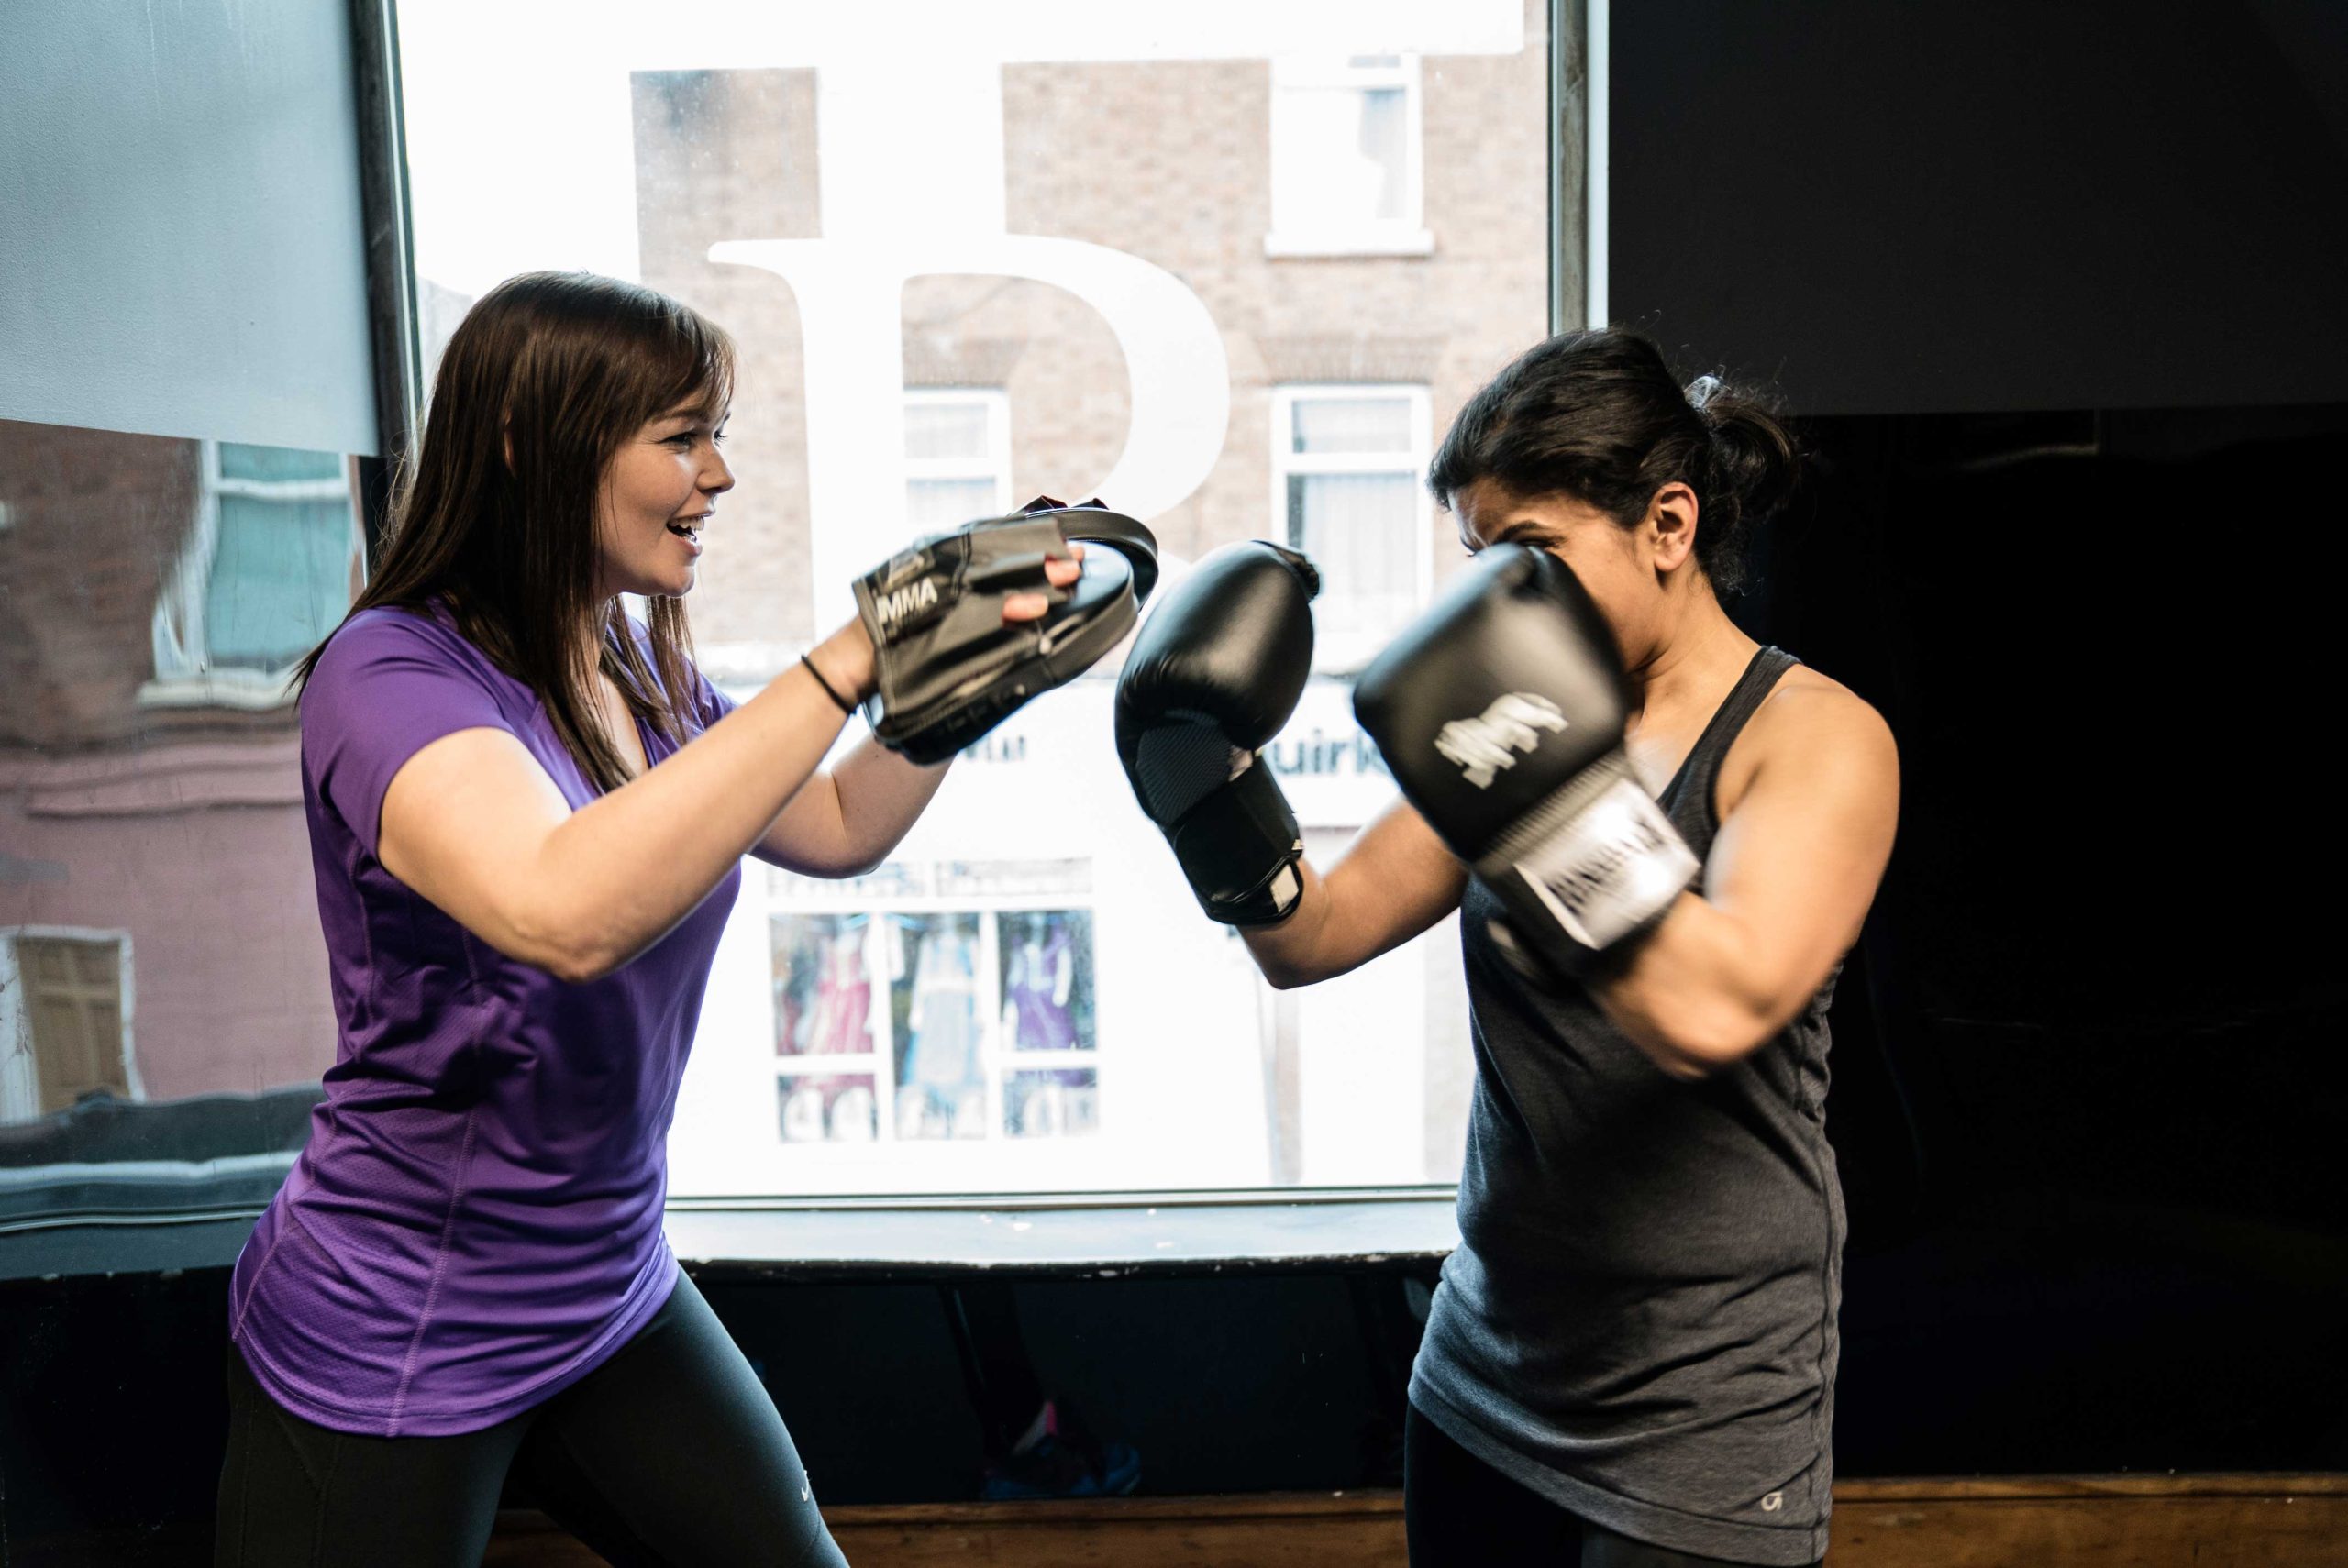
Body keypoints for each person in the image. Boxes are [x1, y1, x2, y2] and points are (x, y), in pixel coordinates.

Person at [214, 271, 1085, 1567]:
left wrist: (953, 681)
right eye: (681, 437)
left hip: (607, 1294)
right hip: (402, 1319)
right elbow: (561, 907)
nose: (718, 474)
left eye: (714, 433)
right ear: (528, 449)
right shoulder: (389, 674)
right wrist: (856, 650)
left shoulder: (633, 665)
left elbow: (835, 823)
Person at [1117, 328, 1899, 1566]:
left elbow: (1718, 1003)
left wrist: (1539, 792)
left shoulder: (1812, 741)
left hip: (1705, 1411)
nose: (1499, 602)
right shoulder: (1512, 713)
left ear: (1669, 523)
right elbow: (1310, 934)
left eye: (1531, 556)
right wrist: (1206, 795)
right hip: (1486, 1379)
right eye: (1482, 563)